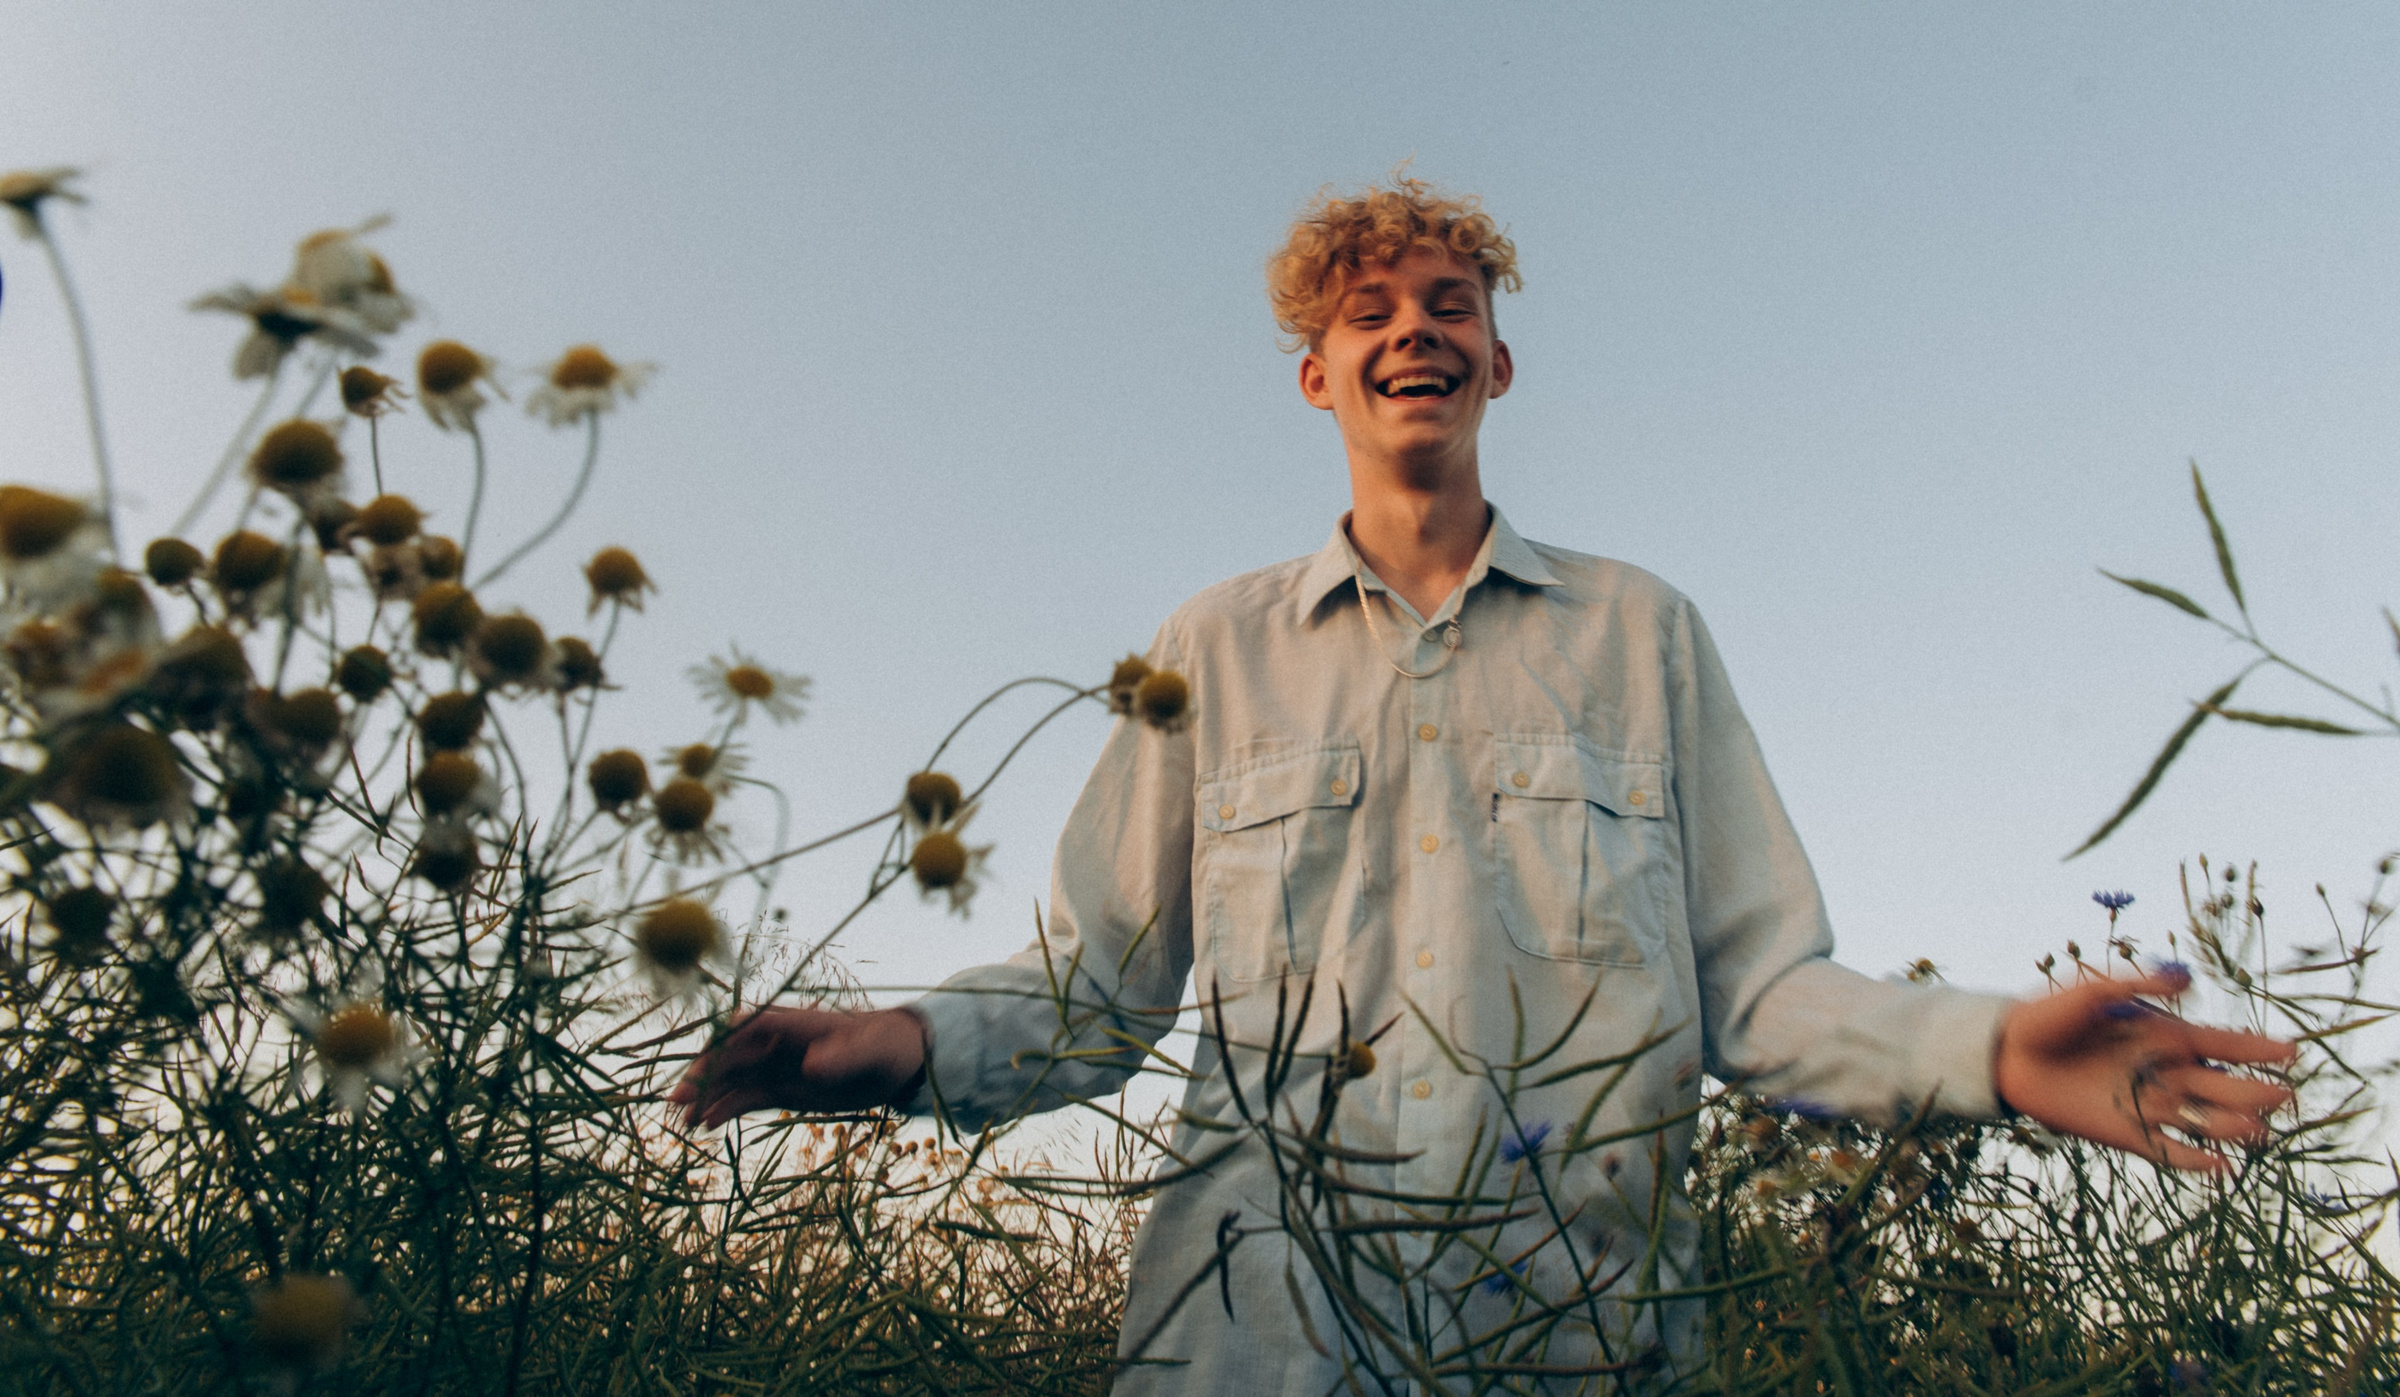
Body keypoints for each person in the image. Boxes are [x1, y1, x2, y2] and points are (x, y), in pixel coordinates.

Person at [673, 177, 2295, 1391]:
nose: (1414, 330)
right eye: (1369, 313)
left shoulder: (1644, 632)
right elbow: (1101, 984)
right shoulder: (1211, 649)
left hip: (1574, 1330)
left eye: (1448, 305)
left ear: (1498, 364)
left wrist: (1989, 1048)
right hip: (1259, 1339)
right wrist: (900, 1044)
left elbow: (1754, 993)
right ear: (1318, 376)